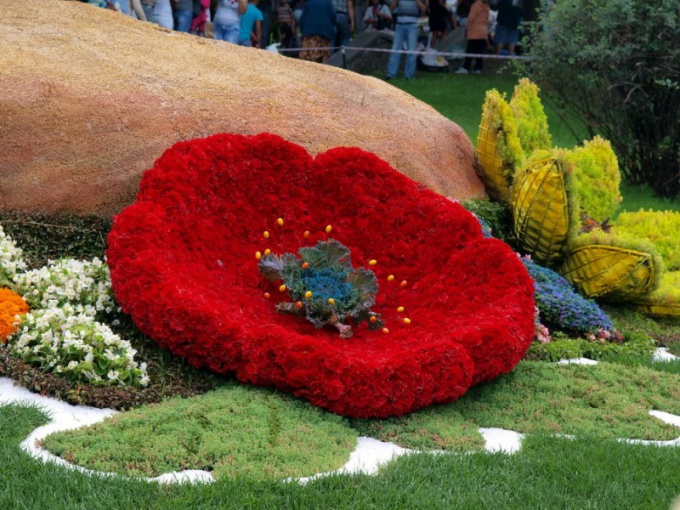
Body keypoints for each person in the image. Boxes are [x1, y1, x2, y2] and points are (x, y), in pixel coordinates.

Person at [384, 0, 425, 80]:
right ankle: (391, 74)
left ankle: (409, 75)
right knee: (395, 50)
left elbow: (423, 8)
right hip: (399, 25)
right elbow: (391, 8)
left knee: (411, 51)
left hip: (412, 26)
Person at [455, 0, 489, 74]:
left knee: (470, 50)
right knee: (479, 51)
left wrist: (467, 29)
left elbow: (470, 18)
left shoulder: (475, 6)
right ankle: (478, 68)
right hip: (483, 31)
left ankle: (465, 67)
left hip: (475, 30)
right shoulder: (486, 6)